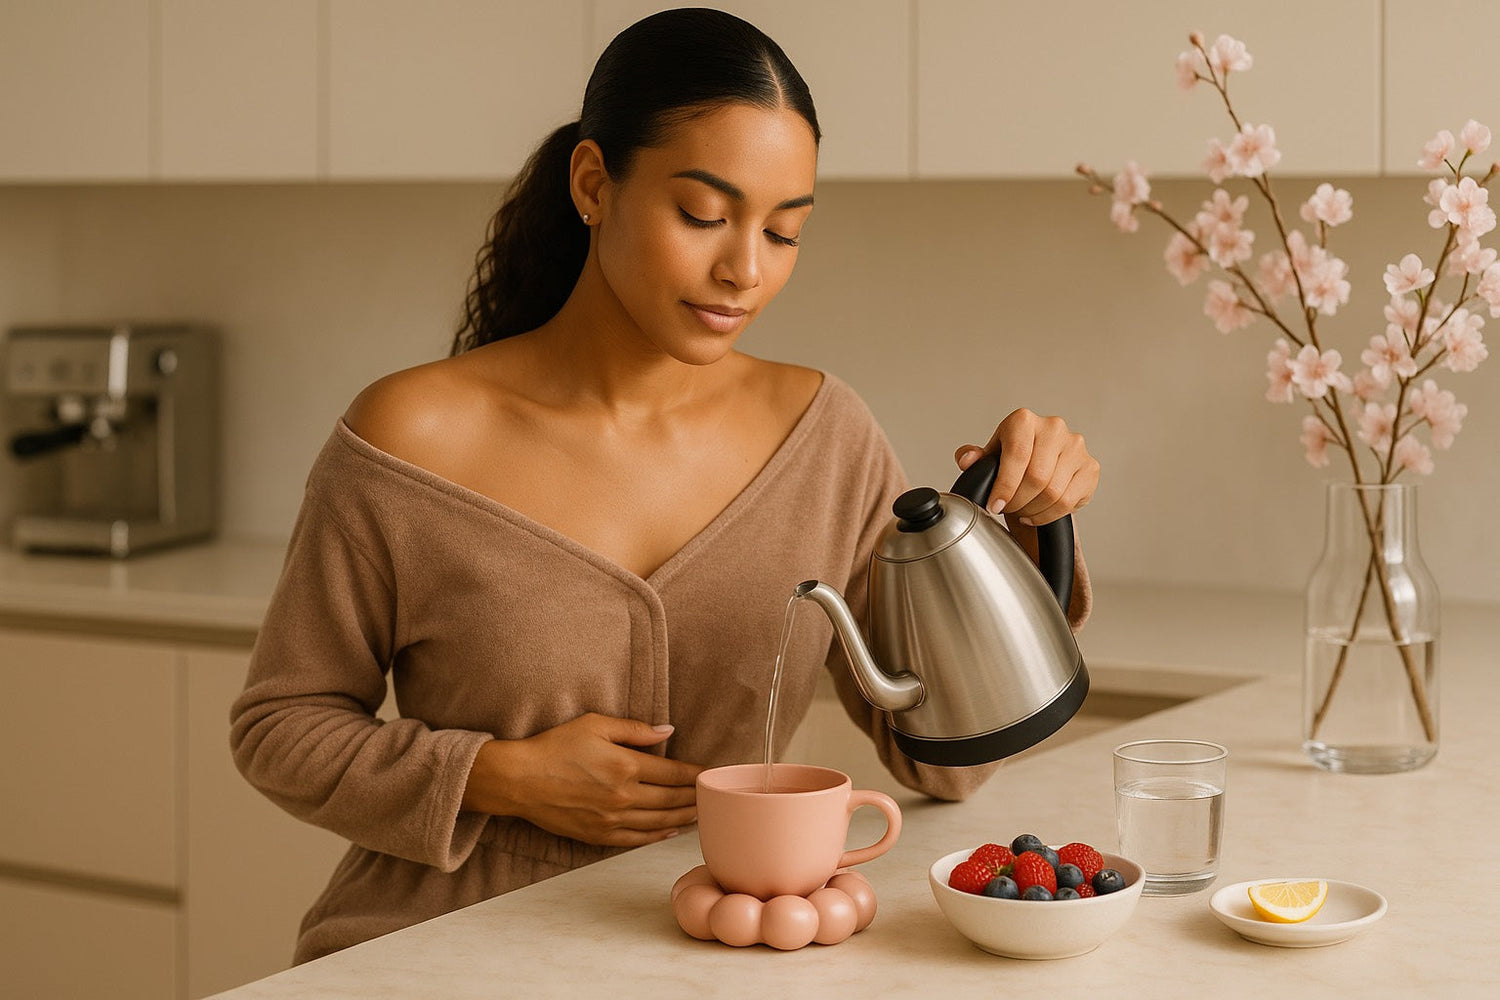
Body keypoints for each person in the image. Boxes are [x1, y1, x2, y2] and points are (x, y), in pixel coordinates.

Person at [230, 7, 1099, 964]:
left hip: (711, 958)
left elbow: (942, 763)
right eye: (703, 215)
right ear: (594, 183)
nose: (744, 271)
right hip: (428, 952)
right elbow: (281, 726)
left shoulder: (825, 436)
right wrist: (494, 775)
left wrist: (1017, 527)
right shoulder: (410, 436)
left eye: (784, 231)